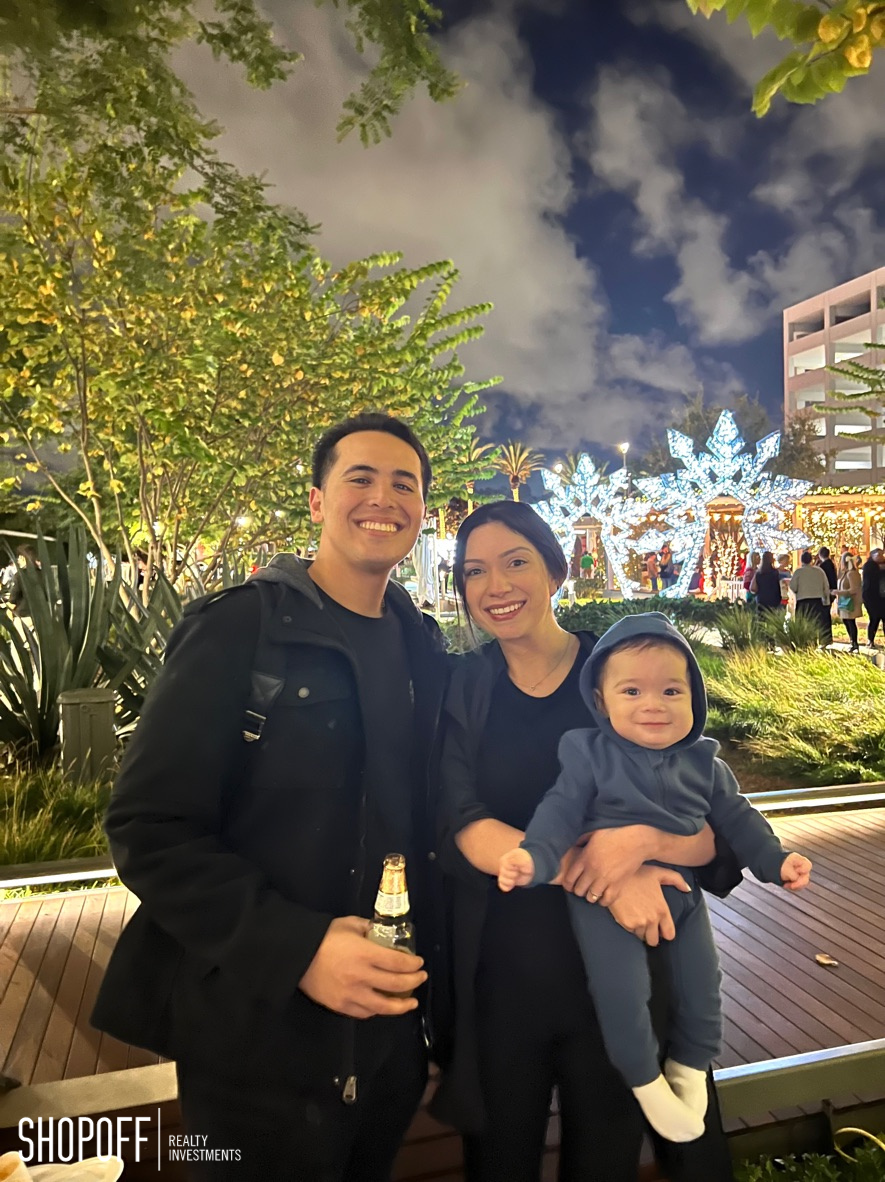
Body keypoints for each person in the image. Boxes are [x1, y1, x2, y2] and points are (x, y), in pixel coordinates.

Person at [91, 414, 450, 1182]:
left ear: (421, 510)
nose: (382, 498)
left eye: (404, 484)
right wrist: (299, 949)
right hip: (255, 1043)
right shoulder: (240, 629)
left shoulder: (422, 646)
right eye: (359, 477)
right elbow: (148, 826)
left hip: (387, 1038)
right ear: (317, 500)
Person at [432, 500, 742, 1182]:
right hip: (503, 977)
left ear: (555, 571)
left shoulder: (619, 673)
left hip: (621, 984)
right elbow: (460, 821)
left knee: (603, 1161)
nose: (495, 586)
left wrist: (639, 845)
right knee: (498, 1165)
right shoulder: (467, 685)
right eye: (474, 571)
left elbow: (714, 832)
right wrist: (602, 873)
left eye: (516, 562)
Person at [498, 613, 812, 1142]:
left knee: (703, 982)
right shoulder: (589, 754)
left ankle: (691, 1063)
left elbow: (738, 819)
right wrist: (535, 857)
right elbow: (559, 812)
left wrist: (776, 861)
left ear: (694, 699)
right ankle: (643, 1077)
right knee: (623, 988)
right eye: (632, 691)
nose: (653, 705)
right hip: (604, 898)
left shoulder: (705, 762)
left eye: (671, 690)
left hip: (684, 891)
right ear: (601, 702)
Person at [790, 551, 832, 645]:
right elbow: (826, 586)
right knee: (817, 622)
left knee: (804, 622)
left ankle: (806, 642)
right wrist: (826, 601)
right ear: (811, 560)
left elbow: (793, 587)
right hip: (817, 601)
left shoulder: (798, 572)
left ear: (801, 560)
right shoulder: (819, 571)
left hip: (803, 601)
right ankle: (818, 641)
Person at [837, 556, 863, 653]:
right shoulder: (845, 573)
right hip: (845, 601)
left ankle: (854, 643)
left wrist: (839, 592)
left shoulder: (851, 574)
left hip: (850, 602)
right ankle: (852, 642)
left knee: (850, 622)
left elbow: (854, 589)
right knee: (846, 621)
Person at [862, 547, 885, 649]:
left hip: (883, 598)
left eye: (882, 554)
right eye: (878, 555)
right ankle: (870, 640)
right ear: (872, 556)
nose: (881, 557)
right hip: (872, 598)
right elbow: (869, 581)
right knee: (874, 619)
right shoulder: (869, 566)